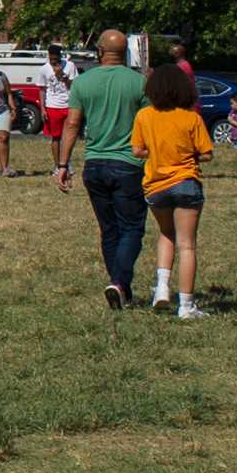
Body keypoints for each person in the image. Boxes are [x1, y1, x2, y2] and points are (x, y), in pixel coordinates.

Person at [134, 52, 216, 319]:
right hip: (186, 183)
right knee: (187, 245)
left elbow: (137, 150)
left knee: (165, 234)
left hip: (155, 186)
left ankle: (161, 289)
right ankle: (187, 305)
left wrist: (157, 153)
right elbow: (206, 153)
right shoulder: (191, 118)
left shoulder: (144, 116)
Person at [71, 30, 150, 307]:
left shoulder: (83, 82)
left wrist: (62, 163)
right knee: (132, 228)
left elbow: (72, 124)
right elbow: (150, 122)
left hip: (94, 163)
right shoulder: (139, 82)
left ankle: (120, 288)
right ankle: (119, 282)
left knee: (109, 230)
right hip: (129, 164)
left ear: (100, 51)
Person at [43, 48, 79, 191]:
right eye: (51, 58)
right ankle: (58, 166)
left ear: (60, 56)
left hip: (69, 104)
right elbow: (42, 89)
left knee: (68, 136)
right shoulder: (44, 69)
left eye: (56, 58)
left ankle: (67, 164)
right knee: (56, 137)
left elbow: (75, 86)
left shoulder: (70, 66)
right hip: (52, 105)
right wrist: (42, 109)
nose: (53, 61)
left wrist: (62, 76)